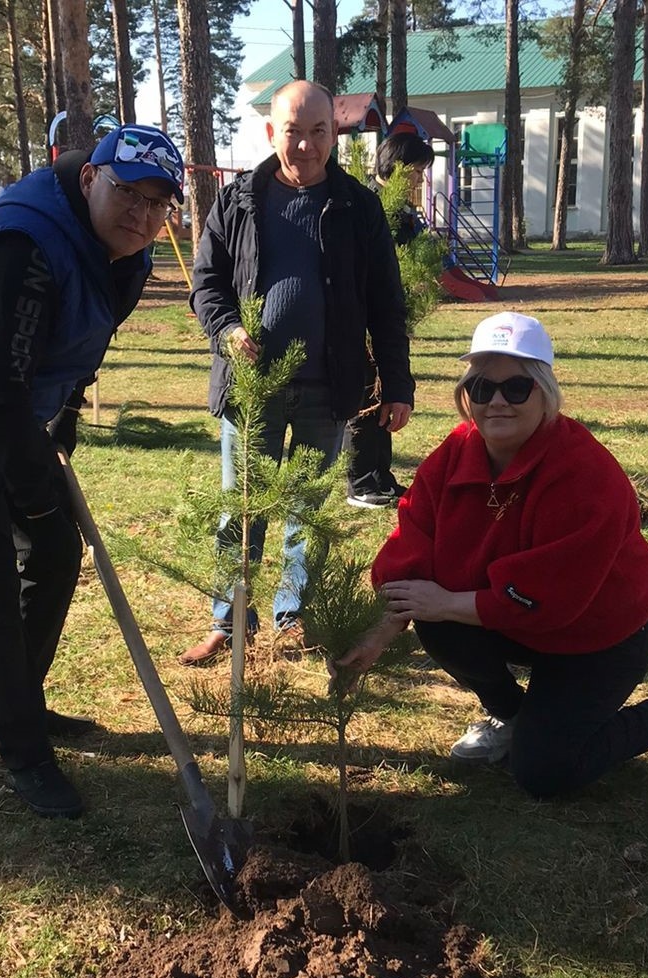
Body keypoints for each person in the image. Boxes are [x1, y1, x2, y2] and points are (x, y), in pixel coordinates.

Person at [0, 125, 186, 818]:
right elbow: (0, 391)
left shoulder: (125, 255)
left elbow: (79, 350)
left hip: (13, 409)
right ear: (88, 180)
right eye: (125, 192)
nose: (139, 213)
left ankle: (15, 704)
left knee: (53, 553)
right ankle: (22, 752)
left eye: (156, 203)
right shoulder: (23, 247)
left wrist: (66, 421)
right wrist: (34, 492)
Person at [338, 312, 648, 797]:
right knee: (434, 618)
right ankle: (514, 718)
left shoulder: (583, 473)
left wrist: (447, 603)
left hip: (596, 636)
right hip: (510, 618)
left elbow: (554, 597)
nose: (496, 401)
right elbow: (411, 543)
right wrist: (378, 634)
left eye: (516, 388)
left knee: (546, 774)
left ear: (545, 393)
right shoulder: (454, 455)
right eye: (481, 388)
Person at [179, 80, 415, 666]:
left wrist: (398, 384)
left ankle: (293, 618)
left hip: (328, 387)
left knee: (305, 506)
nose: (306, 146)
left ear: (334, 134)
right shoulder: (237, 201)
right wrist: (228, 330)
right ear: (270, 132)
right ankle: (229, 620)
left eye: (319, 132)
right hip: (252, 388)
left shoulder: (358, 207)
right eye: (293, 131)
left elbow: (387, 303)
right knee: (244, 506)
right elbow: (206, 284)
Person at [345, 132, 435, 510]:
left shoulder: (399, 209)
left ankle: (380, 474)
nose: (420, 180)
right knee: (366, 401)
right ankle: (361, 481)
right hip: (363, 322)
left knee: (387, 400)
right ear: (397, 168)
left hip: (388, 318)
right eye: (417, 171)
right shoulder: (371, 206)